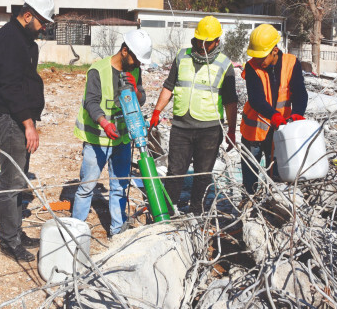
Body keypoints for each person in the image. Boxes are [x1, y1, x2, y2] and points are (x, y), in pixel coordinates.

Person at [0, 0, 55, 263]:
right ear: (27, 15)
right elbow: (11, 87)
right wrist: (28, 124)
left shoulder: (26, 41)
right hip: (11, 120)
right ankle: (8, 241)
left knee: (19, 180)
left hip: (21, 120)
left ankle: (15, 232)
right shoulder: (9, 40)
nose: (43, 28)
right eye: (42, 22)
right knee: (11, 183)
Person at [149, 16, 238, 214]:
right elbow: (168, 87)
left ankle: (197, 211)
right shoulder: (182, 57)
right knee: (175, 172)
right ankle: (168, 211)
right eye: (200, 41)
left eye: (208, 42)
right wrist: (157, 111)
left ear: (217, 41)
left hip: (210, 130)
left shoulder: (225, 65)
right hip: (181, 127)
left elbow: (231, 102)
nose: (203, 46)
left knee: (203, 174)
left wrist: (231, 131)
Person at [71, 29, 152, 236]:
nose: (138, 65)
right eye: (136, 59)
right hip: (97, 139)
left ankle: (117, 231)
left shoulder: (134, 71)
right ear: (125, 51)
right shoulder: (97, 70)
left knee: (119, 186)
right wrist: (105, 123)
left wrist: (136, 92)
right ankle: (76, 232)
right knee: (86, 188)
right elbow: (91, 102)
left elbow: (140, 100)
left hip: (122, 140)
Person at [240, 24, 308, 194]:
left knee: (278, 177)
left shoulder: (291, 63)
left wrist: (298, 112)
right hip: (253, 132)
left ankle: (273, 208)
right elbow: (256, 100)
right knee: (250, 178)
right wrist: (274, 115)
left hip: (279, 132)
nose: (258, 60)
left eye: (262, 56)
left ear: (275, 50)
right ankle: (249, 205)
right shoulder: (252, 67)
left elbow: (299, 92)